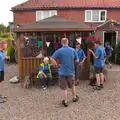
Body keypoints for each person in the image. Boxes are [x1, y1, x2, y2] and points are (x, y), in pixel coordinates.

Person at [51, 38, 79, 107]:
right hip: (71, 72)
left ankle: (65, 102)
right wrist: (72, 62)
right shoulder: (72, 50)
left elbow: (51, 58)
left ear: (61, 43)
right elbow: (77, 60)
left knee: (65, 88)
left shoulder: (59, 51)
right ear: (67, 42)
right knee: (72, 85)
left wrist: (56, 65)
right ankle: (74, 97)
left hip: (62, 72)